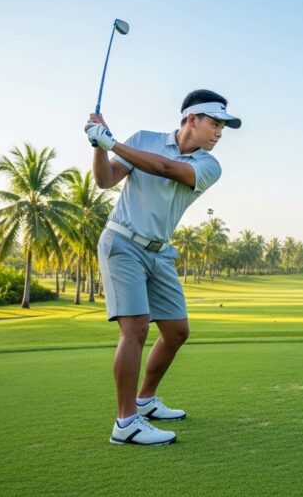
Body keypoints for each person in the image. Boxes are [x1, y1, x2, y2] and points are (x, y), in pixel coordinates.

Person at [85, 89, 241, 445]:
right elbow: (105, 180)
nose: (220, 133)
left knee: (177, 332)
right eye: (215, 124)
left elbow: (167, 169)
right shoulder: (143, 139)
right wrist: (98, 145)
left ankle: (145, 400)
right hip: (122, 242)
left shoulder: (209, 165)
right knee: (136, 329)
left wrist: (111, 142)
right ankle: (126, 422)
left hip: (160, 252)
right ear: (192, 119)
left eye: (223, 127)